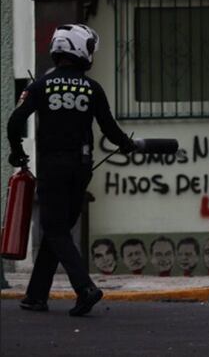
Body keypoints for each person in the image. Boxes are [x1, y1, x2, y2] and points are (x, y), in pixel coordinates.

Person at [6, 24, 140, 316]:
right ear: (80, 49)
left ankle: (85, 288)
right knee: (59, 230)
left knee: (54, 229)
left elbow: (15, 122)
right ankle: (36, 295)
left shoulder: (40, 85)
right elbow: (111, 130)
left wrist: (17, 153)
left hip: (53, 167)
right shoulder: (92, 88)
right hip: (82, 168)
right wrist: (127, 145)